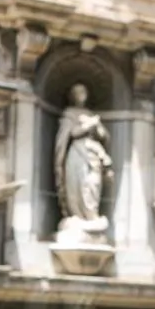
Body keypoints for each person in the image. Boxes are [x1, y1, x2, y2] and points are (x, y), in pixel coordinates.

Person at [53, 83, 113, 232]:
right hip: (76, 153)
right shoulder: (69, 113)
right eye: (78, 92)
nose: (82, 95)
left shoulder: (91, 114)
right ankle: (77, 215)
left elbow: (105, 136)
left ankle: (91, 215)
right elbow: (70, 133)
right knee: (76, 184)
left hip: (93, 154)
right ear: (72, 96)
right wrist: (87, 126)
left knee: (92, 184)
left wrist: (96, 126)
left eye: (84, 92)